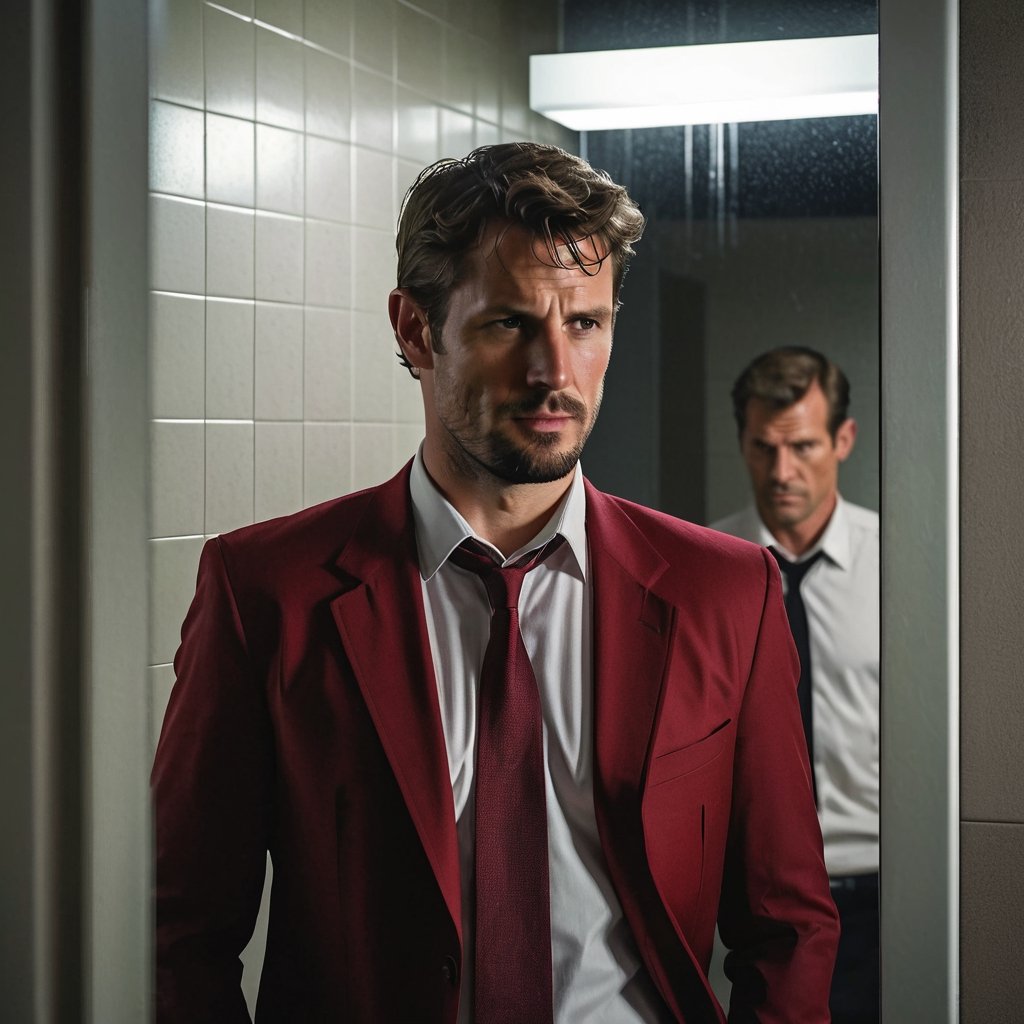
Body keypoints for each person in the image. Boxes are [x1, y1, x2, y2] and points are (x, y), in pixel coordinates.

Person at [152, 144, 838, 1024]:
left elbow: (787, 928)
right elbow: (180, 934)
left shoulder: (725, 591)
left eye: (583, 324)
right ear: (414, 330)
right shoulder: (265, 592)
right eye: (510, 324)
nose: (554, 371)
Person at [711, 347, 879, 1024]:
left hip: (875, 886)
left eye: (803, 446)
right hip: (754, 897)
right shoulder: (707, 569)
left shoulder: (899, 566)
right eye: (763, 448)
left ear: (844, 439)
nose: (782, 472)